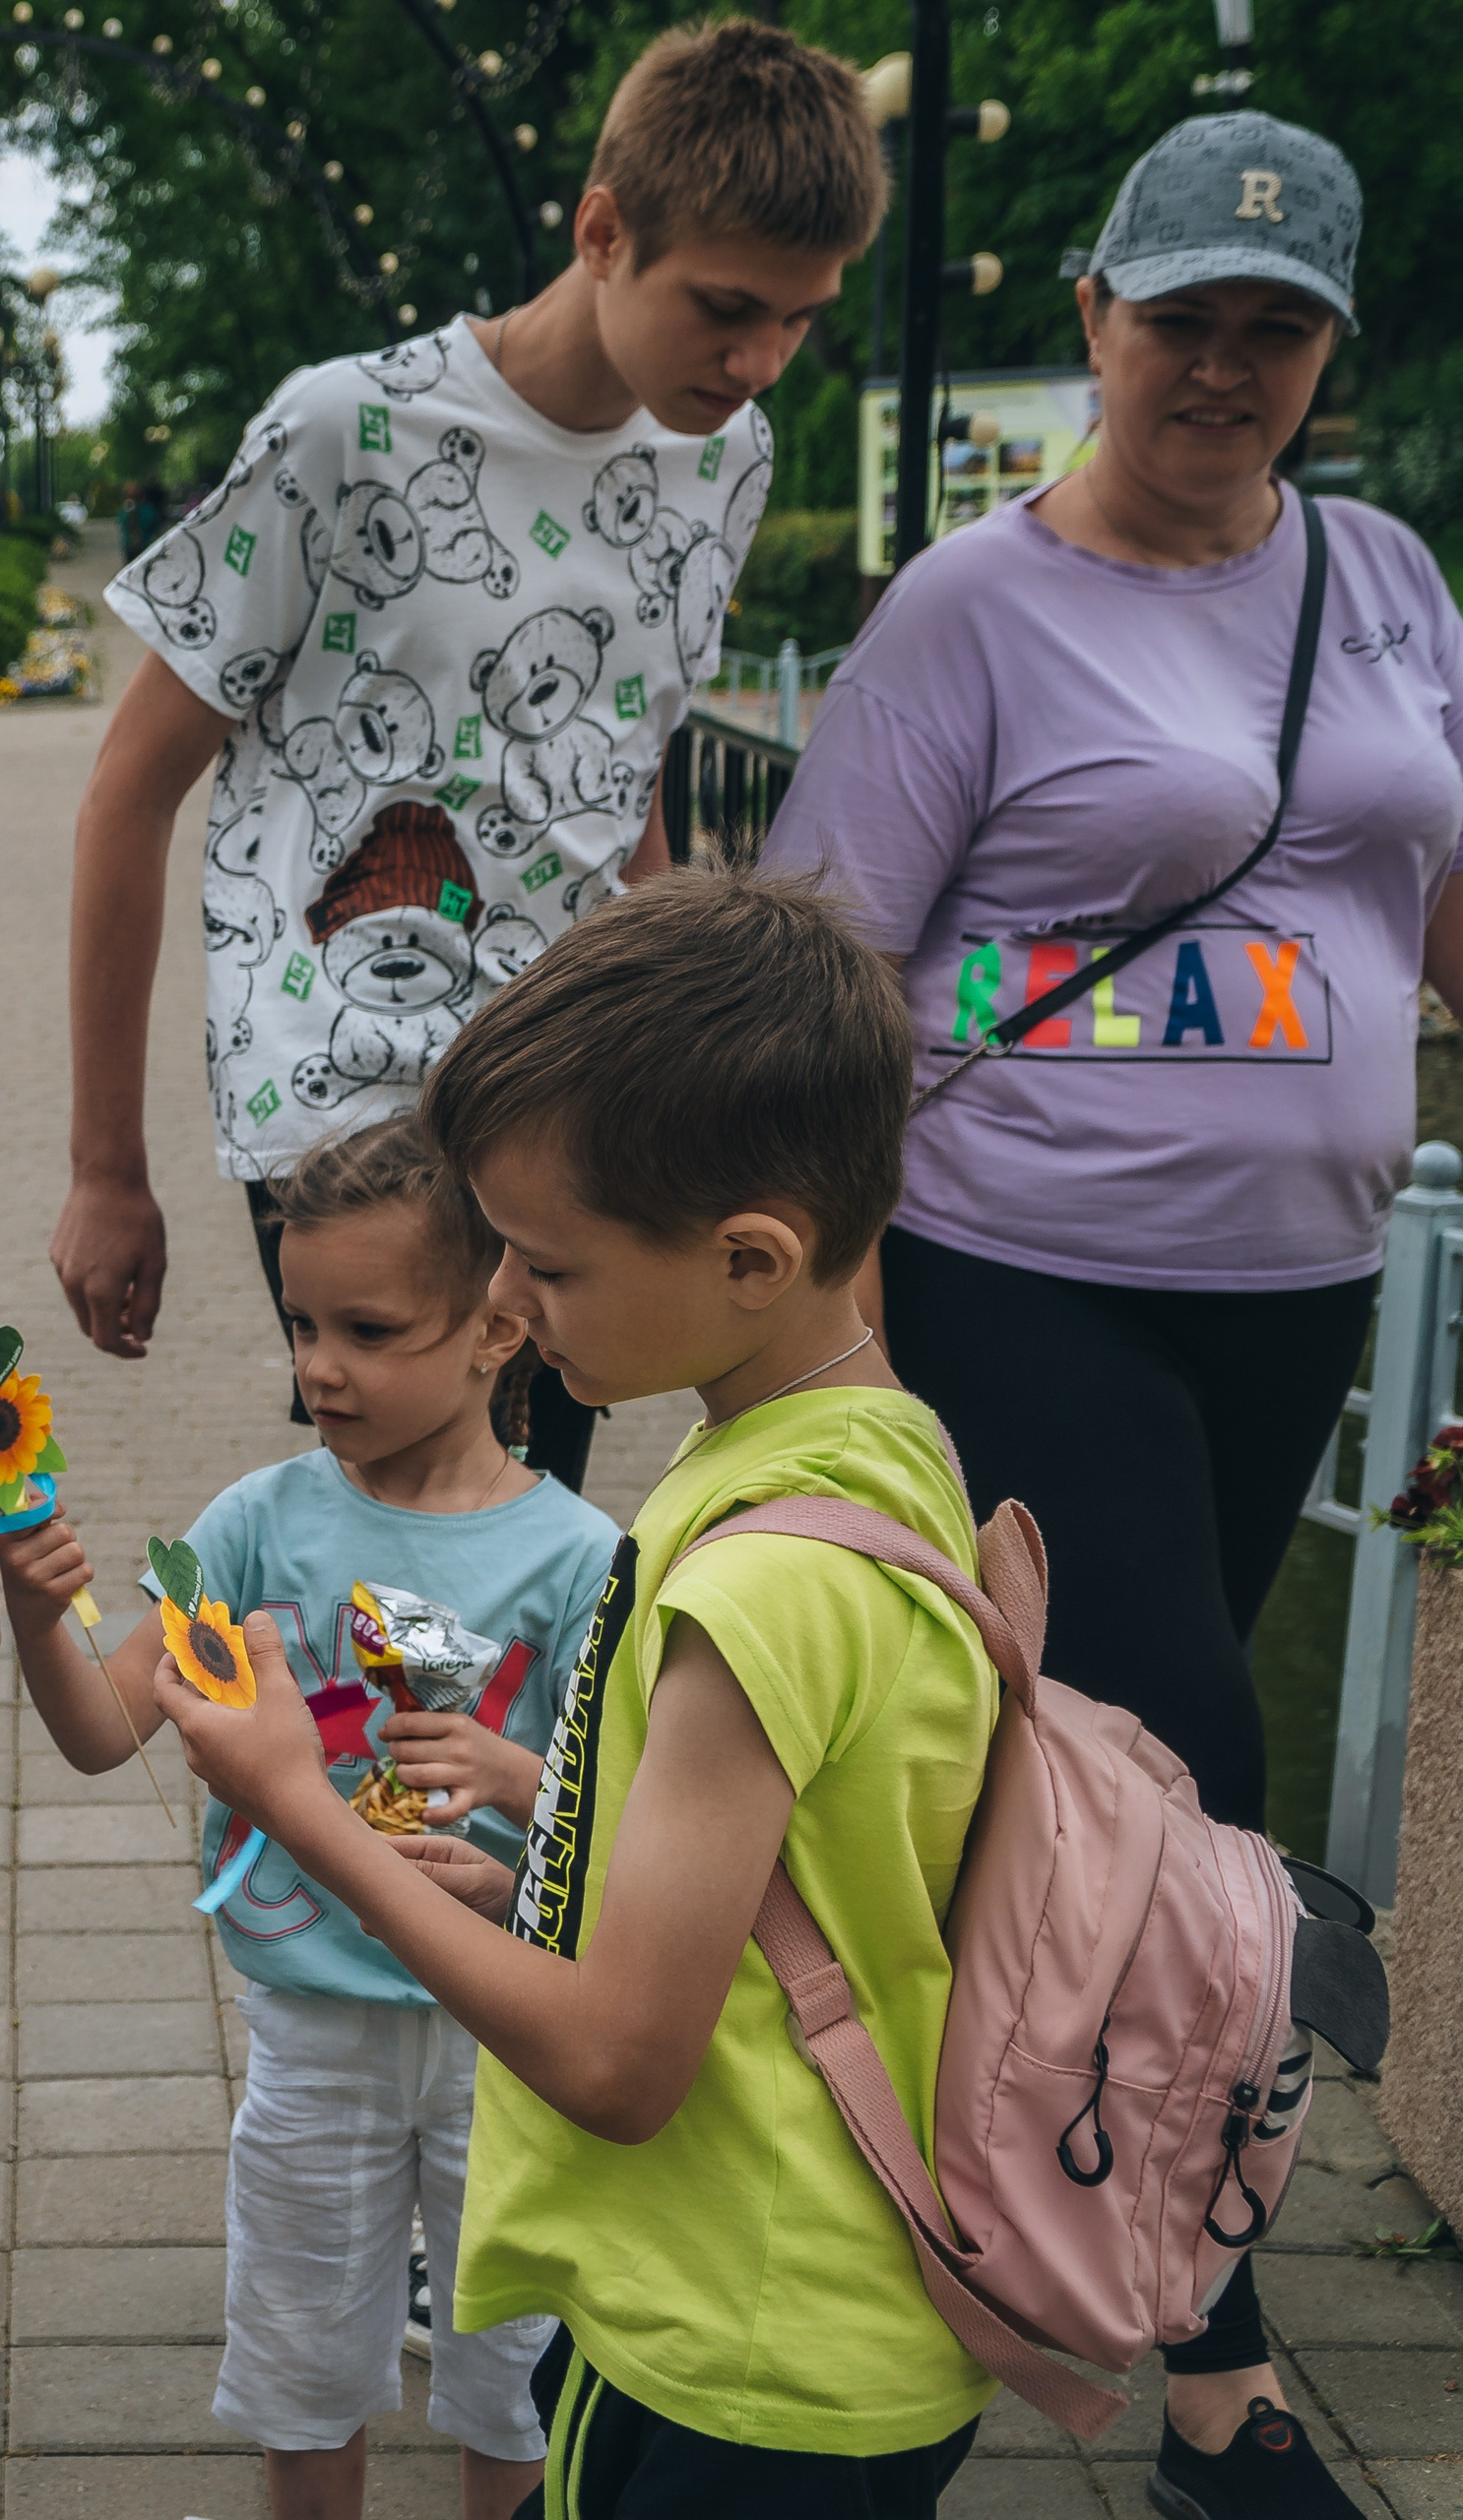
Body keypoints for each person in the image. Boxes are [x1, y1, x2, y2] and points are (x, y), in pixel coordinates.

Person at [761, 113, 1460, 2519]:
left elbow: (1427, 884)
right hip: (1017, 1258)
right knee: (1193, 1792)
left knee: (1068, 1788)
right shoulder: (971, 606)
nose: (1220, 367)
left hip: (1300, 1282)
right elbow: (829, 968)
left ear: (1321, 354)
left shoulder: (1376, 577)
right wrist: (831, 1329)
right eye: (1178, 318)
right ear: (1090, 319)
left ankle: (943, 2130)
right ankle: (1206, 2373)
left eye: (1271, 328)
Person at [155, 874, 1004, 2519]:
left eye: (546, 1264)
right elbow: (804, 1845)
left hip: (728, 2343)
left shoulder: (752, 1575)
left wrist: (295, 1808)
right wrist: (553, 1813)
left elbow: (618, 2064)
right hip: (847, 2300)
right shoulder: (880, 1452)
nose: (510, 1308)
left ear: (752, 1257)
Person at [50, 20, 887, 1496]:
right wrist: (106, 1168)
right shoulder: (346, 429)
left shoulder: (730, 459)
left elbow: (630, 774)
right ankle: (381, 1737)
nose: (759, 361)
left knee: (511, 1521)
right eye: (725, 307)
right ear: (604, 229)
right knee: (436, 1506)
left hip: (571, 1080)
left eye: (802, 320)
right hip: (337, 1076)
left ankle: (434, 1739)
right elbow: (128, 792)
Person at [0, 1113, 617, 2520]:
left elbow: (632, 1815)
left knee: (515, 2377)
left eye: (368, 1329)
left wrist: (517, 1780)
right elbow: (104, 1731)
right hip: (311, 2035)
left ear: (496, 1329)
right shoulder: (255, 1526)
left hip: (505, 2039)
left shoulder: (582, 1558)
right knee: (301, 2366)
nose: (318, 1367)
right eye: (299, 1323)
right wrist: (36, 1618)